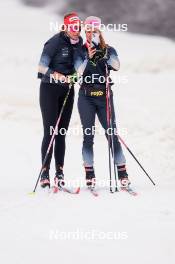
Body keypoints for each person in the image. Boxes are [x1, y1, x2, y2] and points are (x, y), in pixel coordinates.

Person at [74, 16, 130, 188]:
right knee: (88, 135)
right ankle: (89, 173)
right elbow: (78, 72)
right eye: (88, 31)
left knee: (111, 133)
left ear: (99, 32)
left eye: (94, 31)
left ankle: (122, 173)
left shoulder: (109, 49)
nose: (91, 34)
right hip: (86, 97)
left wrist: (103, 53)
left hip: (104, 97)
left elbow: (117, 65)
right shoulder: (80, 50)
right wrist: (88, 57)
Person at [38, 12, 82, 188]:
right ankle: (45, 173)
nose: (76, 31)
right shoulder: (54, 42)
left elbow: (80, 66)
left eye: (78, 28)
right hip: (49, 90)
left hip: (67, 92)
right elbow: (41, 67)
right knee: (51, 131)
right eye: (73, 28)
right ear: (65, 27)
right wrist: (57, 75)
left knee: (62, 133)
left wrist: (76, 75)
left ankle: (59, 172)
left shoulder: (79, 44)